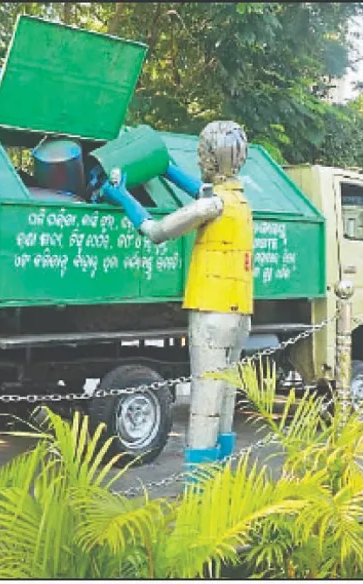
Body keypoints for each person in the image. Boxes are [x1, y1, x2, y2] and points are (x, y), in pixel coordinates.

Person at [100, 120, 253, 477]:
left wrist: (121, 193)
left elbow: (156, 232)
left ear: (212, 158)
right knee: (225, 402)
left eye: (202, 153)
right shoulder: (240, 202)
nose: (199, 159)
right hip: (241, 313)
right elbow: (202, 192)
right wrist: (166, 168)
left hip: (210, 312)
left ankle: (198, 489)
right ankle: (222, 480)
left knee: (205, 402)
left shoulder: (211, 207)